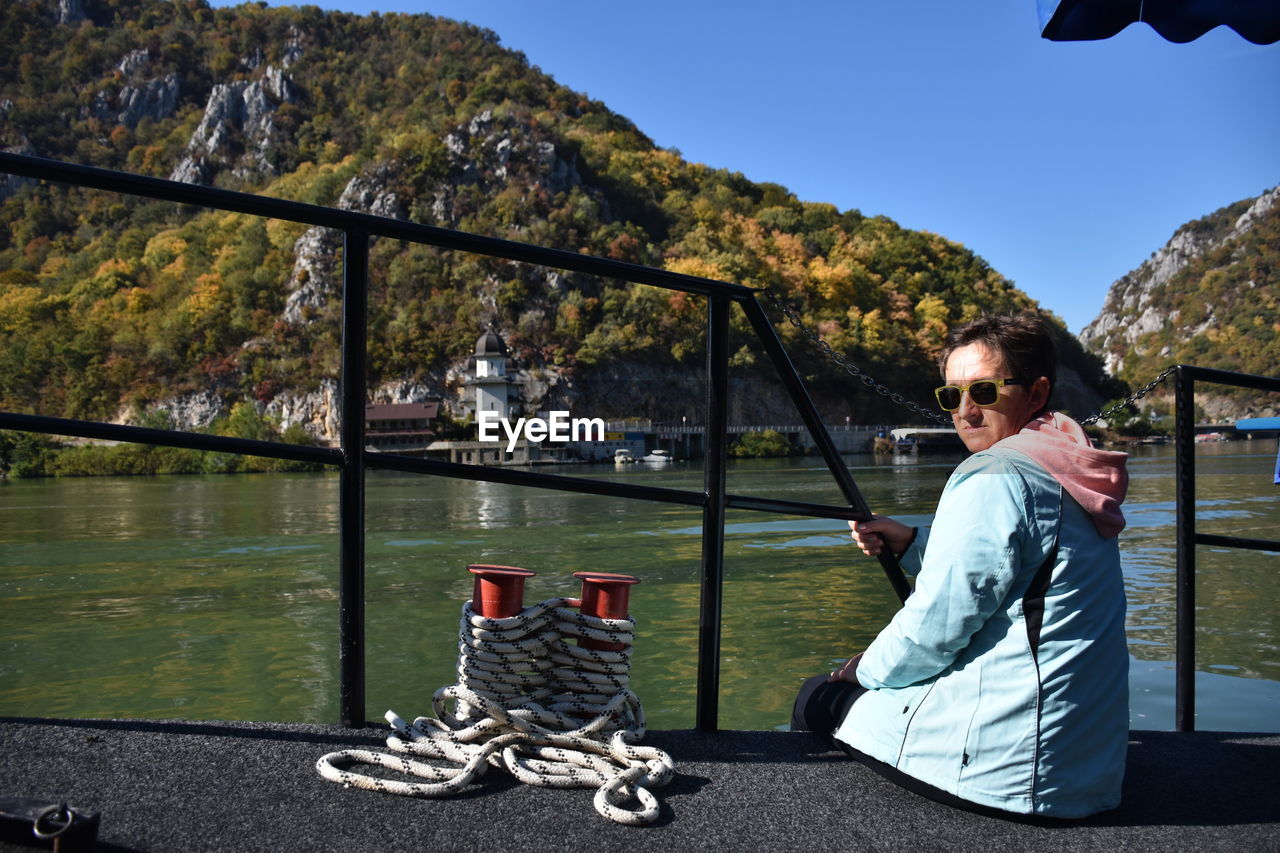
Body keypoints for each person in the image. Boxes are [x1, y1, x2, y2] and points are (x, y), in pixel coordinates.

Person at [791, 312, 1130, 819]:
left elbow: (935, 627)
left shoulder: (996, 473)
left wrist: (862, 670)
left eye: (985, 392)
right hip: (1089, 767)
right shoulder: (1064, 467)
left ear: (1036, 394)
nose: (966, 411)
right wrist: (911, 543)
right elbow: (1018, 566)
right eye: (951, 396)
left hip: (1020, 772)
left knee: (815, 696)